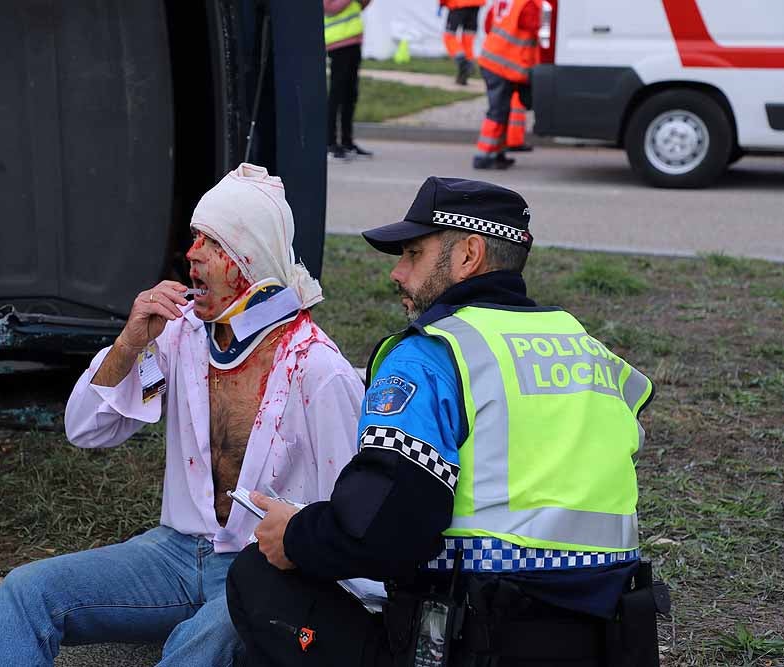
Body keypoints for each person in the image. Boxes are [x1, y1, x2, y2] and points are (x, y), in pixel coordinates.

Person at [227, 177, 666, 666]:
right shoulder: (588, 350)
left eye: (413, 253)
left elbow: (384, 530)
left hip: (477, 642)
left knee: (256, 579)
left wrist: (294, 534)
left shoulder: (432, 355)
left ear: (468, 255)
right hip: (607, 642)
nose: (397, 272)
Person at [0, 163, 364, 667]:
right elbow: (86, 429)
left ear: (249, 259)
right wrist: (130, 343)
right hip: (172, 555)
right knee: (27, 592)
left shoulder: (318, 369)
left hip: (263, 568)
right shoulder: (179, 335)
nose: (191, 254)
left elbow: (351, 516)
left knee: (193, 647)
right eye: (194, 237)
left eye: (210, 243)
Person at [473, 0, 541, 169]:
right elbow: (536, 27)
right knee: (497, 112)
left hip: (494, 60)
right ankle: (484, 156)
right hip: (502, 65)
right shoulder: (529, 4)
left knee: (502, 111)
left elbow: (488, 24)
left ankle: (497, 153)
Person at [325, 0, 375, 162]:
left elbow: (362, 5)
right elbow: (328, 8)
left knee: (350, 95)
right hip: (337, 44)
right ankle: (330, 143)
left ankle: (347, 142)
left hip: (354, 42)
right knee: (336, 95)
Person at [440, 0, 486, 86]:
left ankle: (463, 62)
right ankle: (467, 66)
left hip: (458, 3)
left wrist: (442, 2)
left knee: (449, 36)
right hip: (476, 4)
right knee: (468, 38)